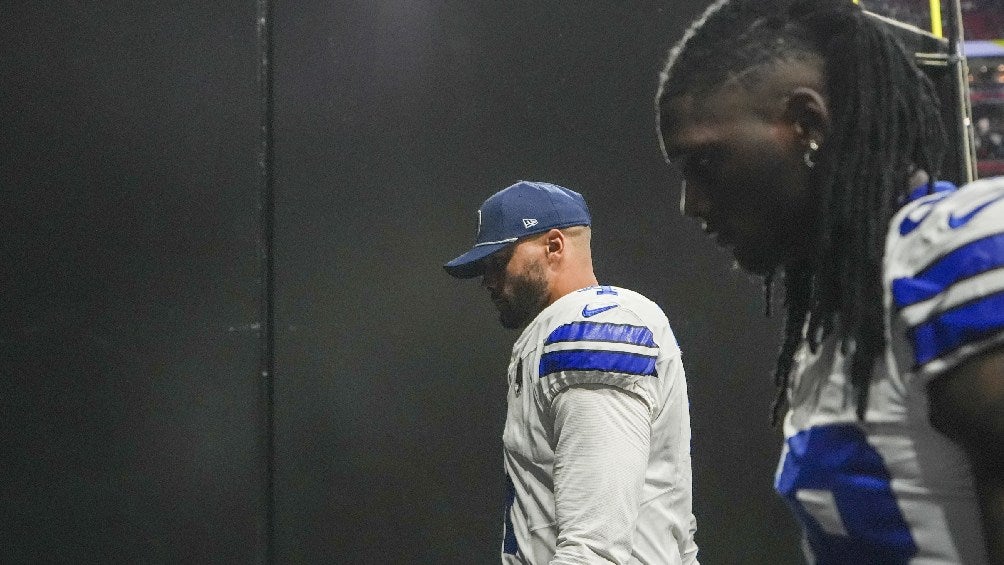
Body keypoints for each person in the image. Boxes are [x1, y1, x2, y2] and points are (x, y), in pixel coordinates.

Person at [655, 0, 1004, 563]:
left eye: (705, 164)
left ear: (807, 125)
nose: (690, 204)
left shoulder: (955, 253)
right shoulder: (846, 311)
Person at [443, 180, 699, 564]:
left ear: (554, 246)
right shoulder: (552, 332)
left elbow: (594, 549)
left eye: (499, 262)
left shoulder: (590, 326)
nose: (489, 282)